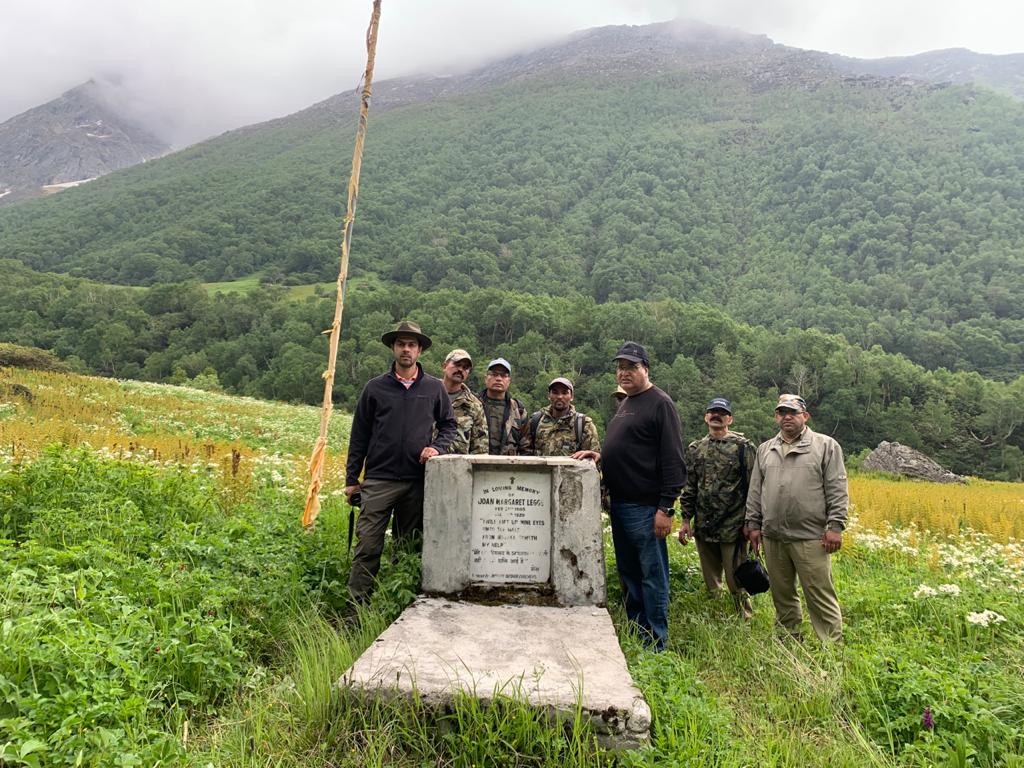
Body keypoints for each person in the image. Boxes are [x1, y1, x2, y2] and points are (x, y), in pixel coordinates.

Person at [579, 341, 686, 651]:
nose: (624, 373)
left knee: (652, 575)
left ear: (646, 369)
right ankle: (638, 632)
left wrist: (666, 508)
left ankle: (656, 642)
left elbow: (673, 460)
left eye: (631, 367)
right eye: (620, 368)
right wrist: (599, 455)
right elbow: (630, 448)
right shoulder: (627, 403)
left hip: (646, 508)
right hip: (620, 505)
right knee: (629, 573)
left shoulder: (660, 403)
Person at [344, 320, 458, 607]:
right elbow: (359, 435)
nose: (406, 349)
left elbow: (449, 426)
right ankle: (356, 610)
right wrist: (351, 480)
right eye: (400, 344)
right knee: (368, 546)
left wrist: (436, 447)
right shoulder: (375, 388)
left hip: (415, 482)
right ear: (393, 348)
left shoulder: (434, 388)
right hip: (378, 480)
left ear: (419, 350)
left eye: (411, 345)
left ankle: (399, 607)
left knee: (407, 547)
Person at [745, 394, 848, 642]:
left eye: (793, 412)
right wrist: (753, 524)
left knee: (819, 593)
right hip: (773, 536)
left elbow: (837, 487)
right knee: (782, 593)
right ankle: (787, 639)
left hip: (811, 536)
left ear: (805, 416)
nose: (787, 417)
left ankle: (831, 646)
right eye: (782, 412)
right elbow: (756, 489)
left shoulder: (825, 446)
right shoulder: (765, 449)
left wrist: (835, 526)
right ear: (776, 416)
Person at [678, 397, 756, 618]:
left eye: (721, 412)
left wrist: (751, 523)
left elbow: (754, 487)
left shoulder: (743, 447)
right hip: (704, 525)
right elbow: (690, 486)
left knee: (736, 578)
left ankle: (744, 618)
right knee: (711, 580)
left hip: (733, 525)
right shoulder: (696, 449)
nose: (716, 415)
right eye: (712, 411)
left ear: (729, 418)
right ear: (706, 417)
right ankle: (719, 615)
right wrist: (685, 520)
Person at [525, 377, 600, 457]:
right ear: (549, 395)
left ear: (571, 396)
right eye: (555, 392)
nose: (560, 396)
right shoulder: (535, 420)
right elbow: (525, 454)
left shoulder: (583, 424)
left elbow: (595, 458)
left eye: (564, 393)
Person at [440, 348, 488, 455]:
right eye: (457, 364)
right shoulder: (427, 395)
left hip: (458, 468)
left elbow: (480, 449)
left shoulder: (474, 405)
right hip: (422, 466)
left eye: (465, 367)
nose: (461, 369)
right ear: (444, 366)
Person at [477, 357, 528, 455]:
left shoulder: (518, 410)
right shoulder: (473, 405)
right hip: (476, 465)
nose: (498, 379)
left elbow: (526, 447)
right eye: (494, 374)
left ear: (509, 381)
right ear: (486, 378)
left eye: (503, 375)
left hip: (508, 467)